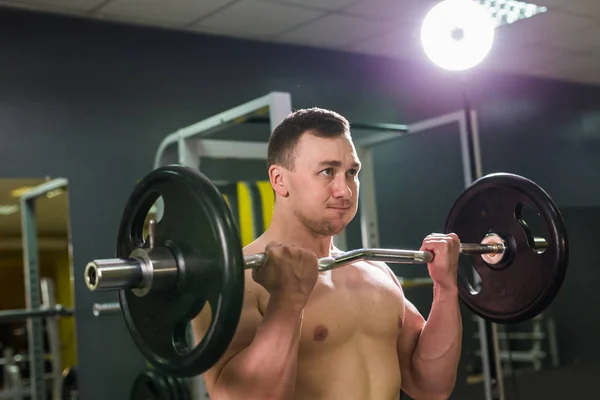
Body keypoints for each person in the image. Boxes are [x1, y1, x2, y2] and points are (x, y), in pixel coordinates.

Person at [192, 108, 463, 400]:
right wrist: (286, 303)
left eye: (352, 173)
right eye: (327, 171)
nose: (344, 190)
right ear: (279, 180)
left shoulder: (374, 270)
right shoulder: (237, 281)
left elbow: (431, 386)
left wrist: (445, 288)